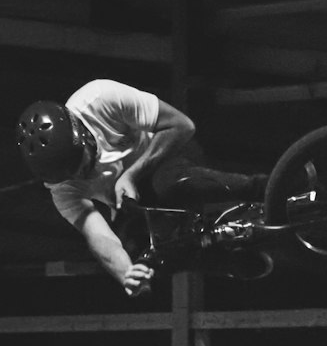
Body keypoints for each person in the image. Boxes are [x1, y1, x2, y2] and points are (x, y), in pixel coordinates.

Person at [16, 79, 268, 294]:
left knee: (169, 184)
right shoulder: (61, 188)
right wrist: (127, 273)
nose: (81, 175)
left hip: (167, 156)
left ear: (82, 134)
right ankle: (224, 261)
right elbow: (99, 236)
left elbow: (182, 125)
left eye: (79, 164)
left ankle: (264, 187)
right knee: (143, 252)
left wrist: (133, 174)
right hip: (134, 200)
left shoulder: (100, 99)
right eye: (71, 175)